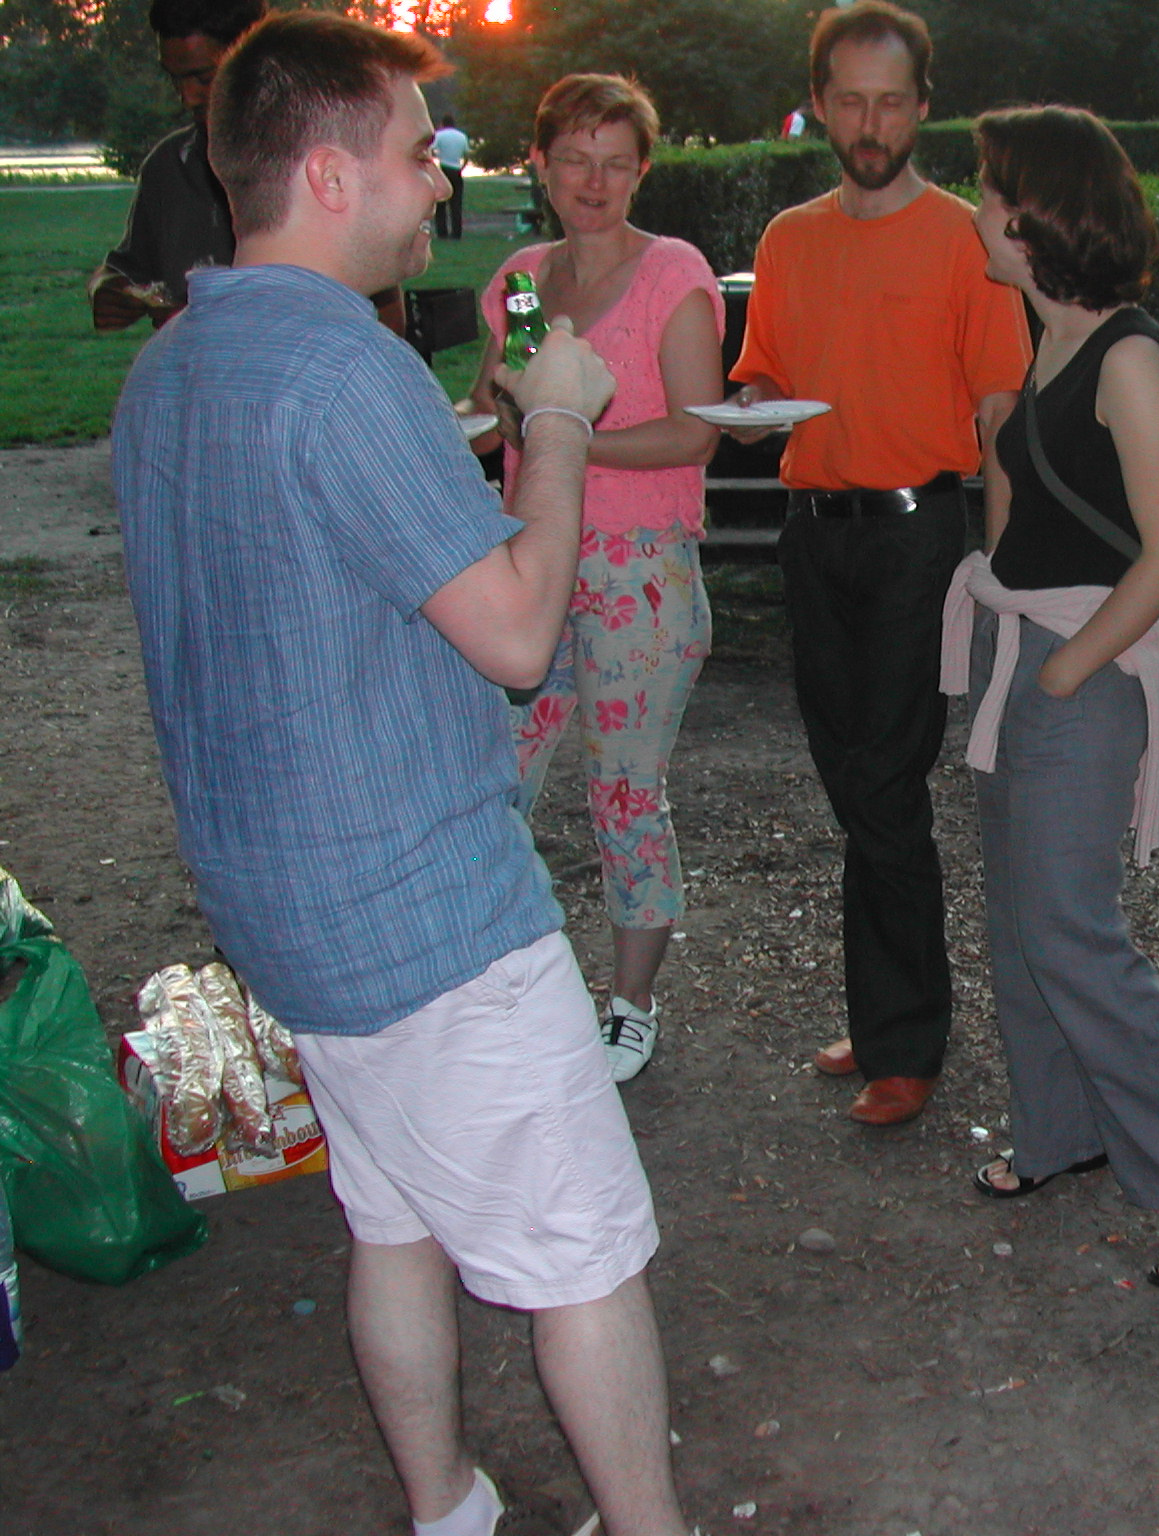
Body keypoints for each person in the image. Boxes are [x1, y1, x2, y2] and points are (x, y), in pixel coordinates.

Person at [112, 15, 693, 1535]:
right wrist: (553, 419)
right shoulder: (342, 368)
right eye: (414, 154)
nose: (440, 183)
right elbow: (517, 635)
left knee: (393, 1218)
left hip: (282, 910)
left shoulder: (170, 368)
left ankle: (447, 1506)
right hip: (426, 916)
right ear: (326, 174)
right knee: (584, 1258)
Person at [936, 106, 1159, 1288]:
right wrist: (995, 458)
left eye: (988, 192)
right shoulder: (1048, 340)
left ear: (1036, 217)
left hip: (1080, 667)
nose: (974, 210)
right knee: (1017, 923)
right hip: (1019, 654)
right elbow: (1020, 531)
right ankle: (1060, 1131)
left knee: (1072, 932)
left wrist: (1067, 669)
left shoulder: (1127, 355)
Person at [725, 0, 1032, 1126]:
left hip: (916, 536)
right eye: (850, 101)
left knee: (886, 780)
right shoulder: (788, 239)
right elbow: (765, 374)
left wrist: (1003, 564)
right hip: (812, 532)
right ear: (819, 104)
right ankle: (885, 1008)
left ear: (922, 108)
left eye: (890, 102)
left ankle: (906, 1043)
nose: (870, 123)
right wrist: (753, 406)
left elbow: (999, 411)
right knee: (851, 777)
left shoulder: (961, 240)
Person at [466, 74, 726, 1083]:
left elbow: (694, 432)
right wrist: (471, 427)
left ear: (641, 171)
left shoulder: (672, 275)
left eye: (616, 163)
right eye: (575, 158)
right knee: (490, 780)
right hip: (531, 559)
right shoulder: (524, 281)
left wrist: (565, 439)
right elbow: (499, 403)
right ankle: (500, 985)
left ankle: (629, 1004)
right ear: (540, 163)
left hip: (639, 571)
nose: (594, 180)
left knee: (622, 792)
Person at [87, 0, 265, 331]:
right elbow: (126, 267)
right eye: (174, 79)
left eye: (204, 78)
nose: (186, 97)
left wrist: (203, 319)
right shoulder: (168, 167)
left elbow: (368, 310)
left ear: (256, 63)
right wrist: (107, 288)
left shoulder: (312, 163)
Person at [432, 113, 468, 239]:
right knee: (456, 204)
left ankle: (442, 232)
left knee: (441, 204)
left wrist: (436, 158)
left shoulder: (439, 135)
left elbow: (431, 149)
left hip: (444, 169)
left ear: (443, 124)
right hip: (456, 170)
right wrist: (462, 167)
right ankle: (457, 233)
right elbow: (466, 155)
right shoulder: (462, 136)